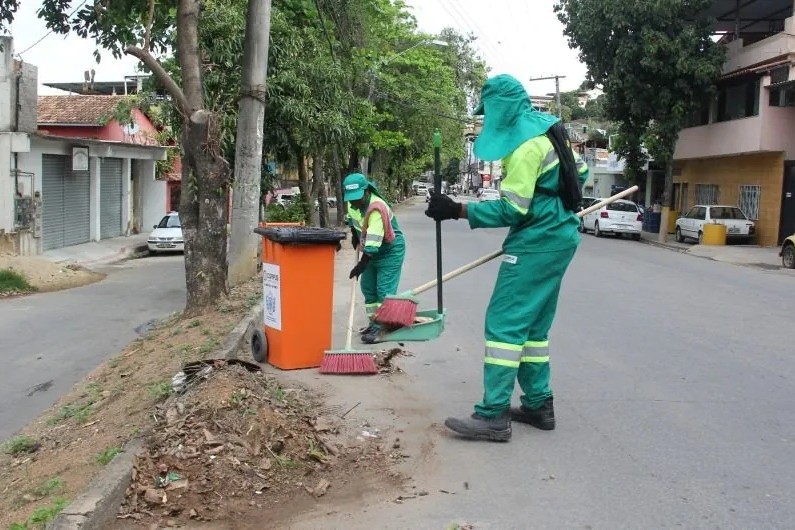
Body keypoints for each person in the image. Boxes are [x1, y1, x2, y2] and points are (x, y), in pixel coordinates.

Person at [425, 74, 590, 442]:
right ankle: (539, 404)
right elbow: (582, 172)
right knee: (533, 329)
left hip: (537, 242)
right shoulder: (550, 133)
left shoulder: (526, 146)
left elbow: (513, 209)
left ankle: (493, 415)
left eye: (489, 112)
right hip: (560, 236)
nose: (488, 120)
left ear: (501, 108)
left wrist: (457, 210)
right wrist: (553, 201)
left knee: (504, 323)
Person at [343, 172, 406, 344]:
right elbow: (353, 220)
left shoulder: (377, 207)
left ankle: (382, 327)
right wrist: (354, 235)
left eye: (357, 198)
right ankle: (374, 323)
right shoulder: (351, 204)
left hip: (389, 252)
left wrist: (361, 264)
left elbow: (372, 243)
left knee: (384, 291)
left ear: (366, 191)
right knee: (368, 288)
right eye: (351, 198)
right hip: (371, 251)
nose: (354, 202)